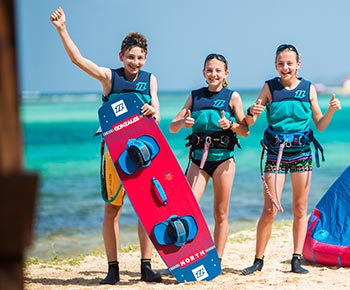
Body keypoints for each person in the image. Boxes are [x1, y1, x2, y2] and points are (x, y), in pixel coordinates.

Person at [50, 7, 162, 284]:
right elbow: (78, 60)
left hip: (145, 154)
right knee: (112, 209)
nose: (135, 62)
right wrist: (62, 29)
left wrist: (151, 111)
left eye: (139, 57)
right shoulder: (109, 78)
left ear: (145, 58)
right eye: (130, 57)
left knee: (148, 209)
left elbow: (157, 116)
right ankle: (113, 268)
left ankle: (146, 266)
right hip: (114, 154)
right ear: (121, 56)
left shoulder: (151, 80)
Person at [242, 44, 341, 275]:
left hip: (302, 154)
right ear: (276, 65)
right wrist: (251, 111)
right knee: (270, 209)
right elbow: (250, 122)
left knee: (299, 207)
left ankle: (296, 259)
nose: (285, 67)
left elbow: (320, 125)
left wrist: (331, 110)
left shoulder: (308, 89)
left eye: (289, 63)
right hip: (275, 154)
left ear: (298, 64)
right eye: (281, 63)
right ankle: (258, 260)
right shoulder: (269, 88)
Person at [169, 53, 249, 262]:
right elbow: (172, 126)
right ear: (204, 72)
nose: (214, 74)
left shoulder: (233, 97)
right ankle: (189, 252)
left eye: (218, 70)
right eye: (209, 70)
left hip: (224, 161)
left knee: (220, 213)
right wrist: (183, 122)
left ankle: (217, 259)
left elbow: (245, 131)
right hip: (198, 161)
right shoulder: (195, 97)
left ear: (226, 74)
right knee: (188, 207)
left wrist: (230, 125)